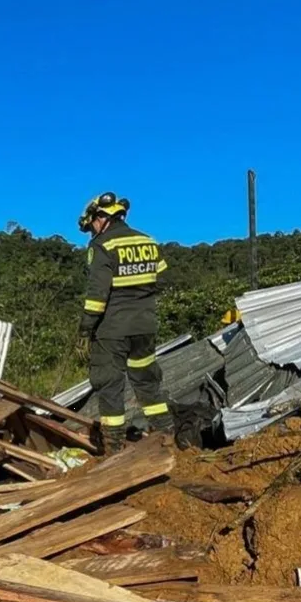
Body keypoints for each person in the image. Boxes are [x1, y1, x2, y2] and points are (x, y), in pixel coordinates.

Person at [77, 192, 173, 454]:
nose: (92, 231)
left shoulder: (102, 245)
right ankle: (166, 436)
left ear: (100, 217)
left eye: (92, 225)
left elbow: (97, 296)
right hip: (145, 326)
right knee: (147, 382)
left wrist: (85, 330)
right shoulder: (148, 241)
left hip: (112, 330)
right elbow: (162, 278)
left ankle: (113, 449)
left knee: (109, 384)